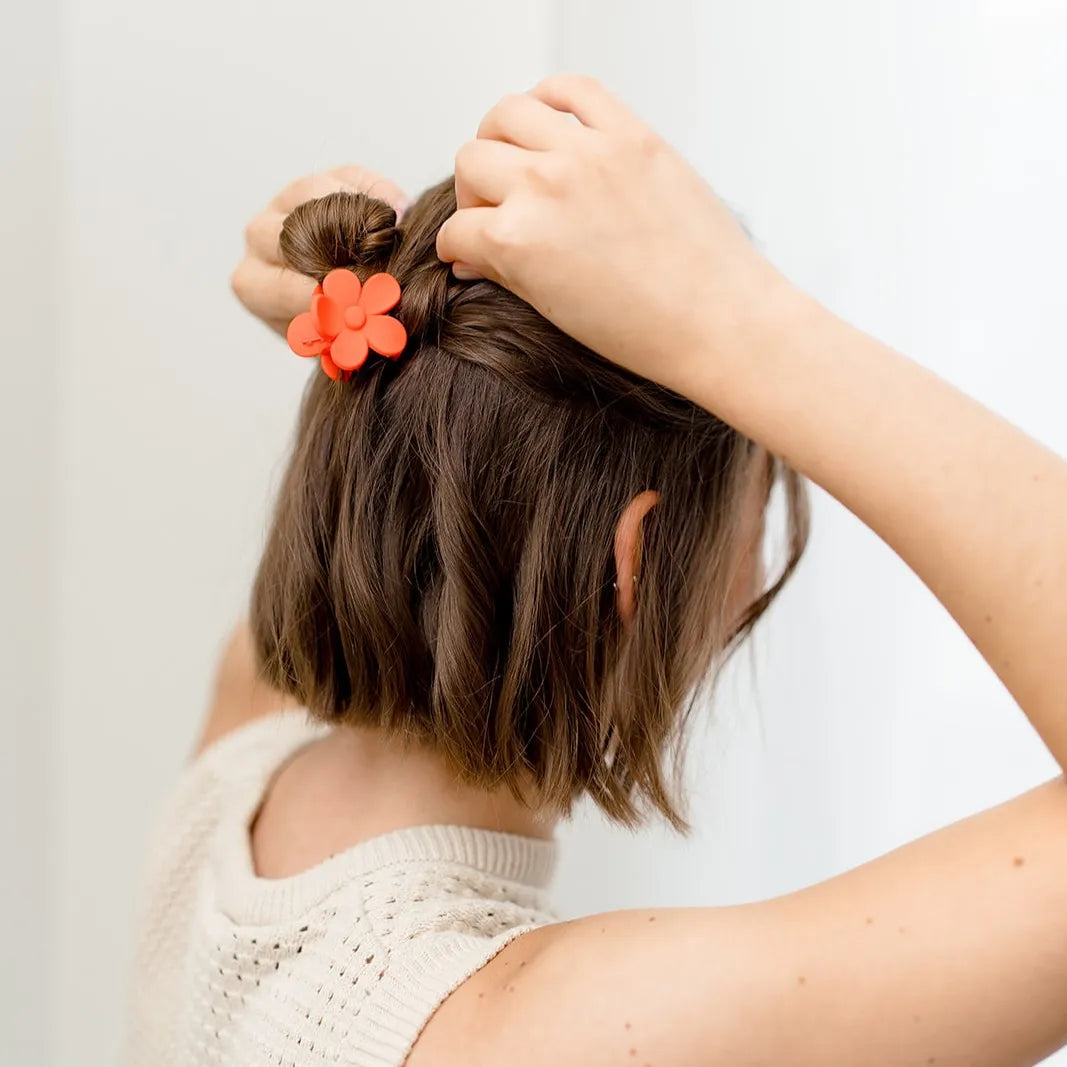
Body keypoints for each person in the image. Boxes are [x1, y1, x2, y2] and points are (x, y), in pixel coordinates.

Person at [129, 77, 1067, 1066]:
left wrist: (370, 370)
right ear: (637, 561)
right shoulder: (565, 1034)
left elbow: (415, 487)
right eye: (753, 516)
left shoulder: (240, 758)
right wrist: (738, 320)